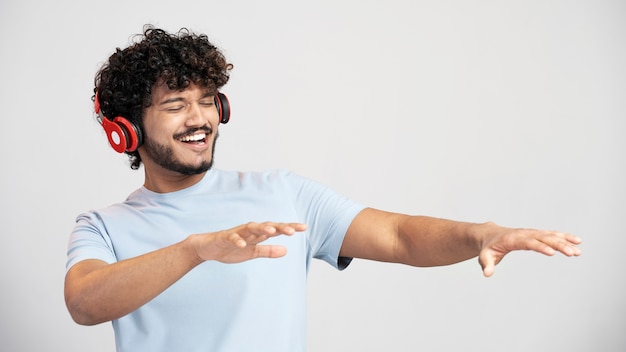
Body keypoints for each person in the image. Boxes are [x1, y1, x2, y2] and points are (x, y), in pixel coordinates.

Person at [64, 25, 582, 352]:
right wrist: (198, 249)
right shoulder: (104, 226)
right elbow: (85, 302)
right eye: (176, 104)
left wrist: (481, 235)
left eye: (208, 100)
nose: (200, 118)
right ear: (126, 128)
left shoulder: (282, 193)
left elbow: (399, 235)